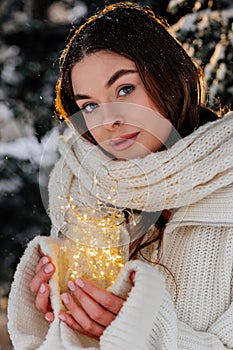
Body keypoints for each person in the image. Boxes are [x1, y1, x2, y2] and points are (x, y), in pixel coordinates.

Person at [7, 2, 233, 349]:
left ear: (168, 77)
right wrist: (56, 309)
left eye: (125, 89)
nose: (109, 120)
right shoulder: (81, 187)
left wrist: (137, 329)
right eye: (90, 106)